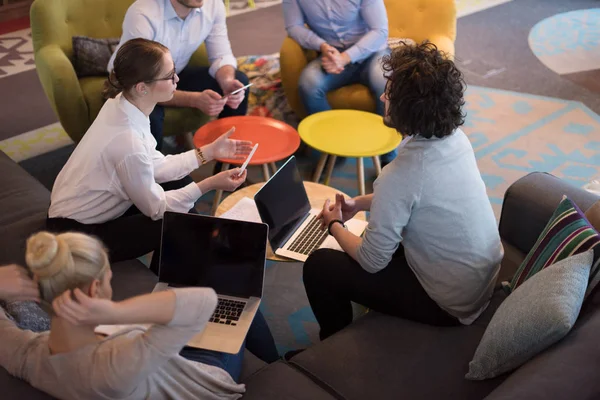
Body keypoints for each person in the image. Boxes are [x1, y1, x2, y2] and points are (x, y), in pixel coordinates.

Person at [304, 42, 504, 341]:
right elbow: (414, 199)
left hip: (448, 306)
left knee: (319, 266)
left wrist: (334, 226)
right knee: (380, 236)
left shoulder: (400, 175)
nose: (383, 96)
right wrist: (358, 203)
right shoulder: (455, 140)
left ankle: (331, 342)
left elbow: (372, 262)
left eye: (390, 93)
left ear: (408, 109)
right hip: (477, 283)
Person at [48, 38, 251, 272]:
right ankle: (175, 280)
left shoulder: (121, 104)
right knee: (174, 221)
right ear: (142, 87)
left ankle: (190, 266)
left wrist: (210, 151)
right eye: (169, 76)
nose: (177, 79)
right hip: (76, 238)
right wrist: (210, 184)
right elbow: (156, 209)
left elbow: (156, 165)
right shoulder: (128, 142)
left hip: (79, 212)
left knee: (180, 187)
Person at [0, 231, 278, 399]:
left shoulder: (27, 355)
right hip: (199, 380)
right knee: (240, 305)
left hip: (160, 360)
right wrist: (116, 311)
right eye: (109, 277)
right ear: (95, 287)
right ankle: (278, 364)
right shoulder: (115, 366)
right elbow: (206, 301)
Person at [108, 0, 250, 150]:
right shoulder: (143, 13)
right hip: (133, 85)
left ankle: (228, 167)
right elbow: (143, 85)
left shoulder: (213, 4)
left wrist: (227, 82)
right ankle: (154, 170)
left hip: (174, 75)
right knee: (149, 116)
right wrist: (194, 100)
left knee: (239, 82)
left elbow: (221, 55)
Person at [282, 0, 396, 164]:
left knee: (384, 83)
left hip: (371, 53)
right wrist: (321, 45)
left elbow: (380, 31)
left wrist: (345, 58)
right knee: (309, 84)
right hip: (331, 54)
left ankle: (388, 156)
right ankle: (332, 149)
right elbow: (294, 27)